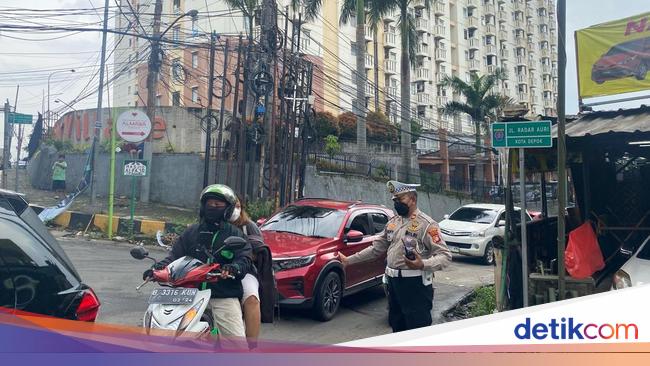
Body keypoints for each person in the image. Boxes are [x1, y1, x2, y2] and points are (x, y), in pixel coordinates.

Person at [143, 184, 252, 348]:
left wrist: (233, 268)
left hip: (221, 294)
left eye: (218, 204)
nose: (213, 207)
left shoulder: (235, 234)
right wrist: (157, 269)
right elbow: (174, 257)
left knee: (237, 346)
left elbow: (244, 259)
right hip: (188, 294)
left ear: (227, 209)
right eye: (210, 203)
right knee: (161, 332)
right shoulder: (191, 232)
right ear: (203, 206)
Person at [339, 180, 452, 333]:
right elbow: (376, 249)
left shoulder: (427, 224)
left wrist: (422, 264)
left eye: (400, 199)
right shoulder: (393, 223)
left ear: (412, 199)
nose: (396, 203)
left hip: (415, 285)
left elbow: (445, 256)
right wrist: (348, 260)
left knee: (417, 330)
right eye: (394, 200)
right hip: (393, 284)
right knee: (397, 327)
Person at [229, 195, 275, 350]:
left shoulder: (249, 226)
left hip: (245, 270)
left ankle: (252, 345)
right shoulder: (210, 224)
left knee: (252, 298)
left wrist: (244, 257)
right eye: (232, 205)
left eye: (238, 206)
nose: (235, 210)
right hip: (213, 270)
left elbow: (259, 250)